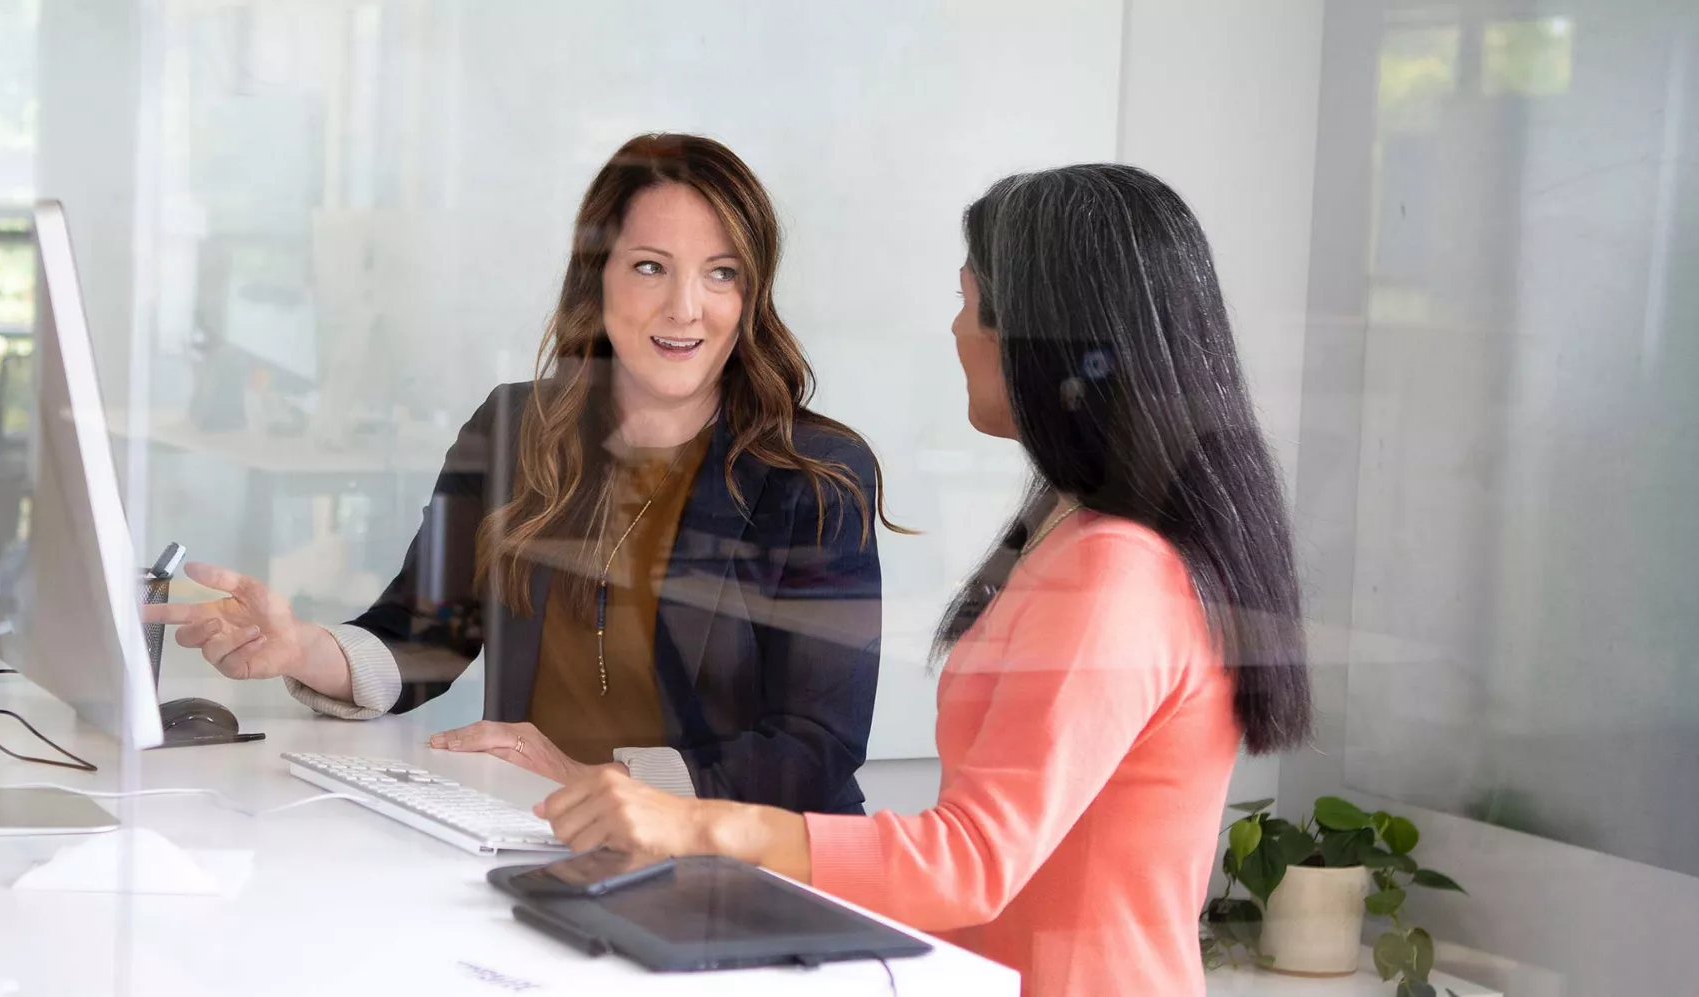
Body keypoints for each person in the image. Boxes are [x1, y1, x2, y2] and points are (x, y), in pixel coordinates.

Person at [532, 164, 1313, 997]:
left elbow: (972, 859)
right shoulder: (1074, 526)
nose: (954, 327)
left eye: (970, 299)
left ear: (1044, 333)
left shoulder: (1116, 566)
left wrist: (697, 822)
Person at [142, 133, 898, 813]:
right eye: (649, 268)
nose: (685, 308)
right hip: (538, 828)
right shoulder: (512, 431)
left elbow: (813, 748)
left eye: (721, 273)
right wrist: (302, 645)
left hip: (738, 873)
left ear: (752, 293)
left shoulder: (815, 475)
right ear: (596, 281)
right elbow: (427, 634)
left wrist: (595, 779)